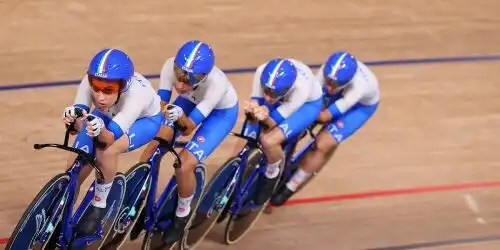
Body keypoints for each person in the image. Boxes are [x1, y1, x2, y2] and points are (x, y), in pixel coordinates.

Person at [139, 40, 239, 245]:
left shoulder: (216, 84)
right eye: (179, 77)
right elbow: (161, 105)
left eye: (188, 81)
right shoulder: (169, 66)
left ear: (203, 77)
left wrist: (178, 117)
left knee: (184, 165)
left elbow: (188, 128)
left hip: (220, 115)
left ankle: (182, 214)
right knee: (152, 149)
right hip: (189, 101)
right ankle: (141, 201)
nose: (180, 85)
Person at [62, 48, 163, 235]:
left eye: (108, 91)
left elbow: (107, 139)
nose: (100, 97)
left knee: (106, 151)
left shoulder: (136, 96)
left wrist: (99, 129)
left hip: (143, 122)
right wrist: (71, 120)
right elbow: (77, 126)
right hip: (105, 115)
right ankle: (61, 212)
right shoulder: (89, 81)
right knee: (74, 168)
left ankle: (100, 203)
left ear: (122, 87)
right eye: (96, 88)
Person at [271, 51, 380, 206]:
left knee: (322, 144)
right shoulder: (327, 71)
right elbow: (313, 98)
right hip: (340, 94)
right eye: (328, 81)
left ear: (347, 81)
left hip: (359, 108)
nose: (328, 87)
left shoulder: (359, 87)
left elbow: (326, 116)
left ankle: (292, 185)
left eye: (333, 84)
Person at [242, 57, 323, 206]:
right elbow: (255, 103)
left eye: (273, 93)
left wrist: (264, 116)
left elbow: (271, 123)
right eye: (266, 90)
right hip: (284, 96)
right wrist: (252, 111)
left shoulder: (300, 89)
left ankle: (273, 172)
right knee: (248, 131)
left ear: (287, 89)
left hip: (307, 105)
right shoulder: (261, 71)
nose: (267, 97)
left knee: (268, 140)